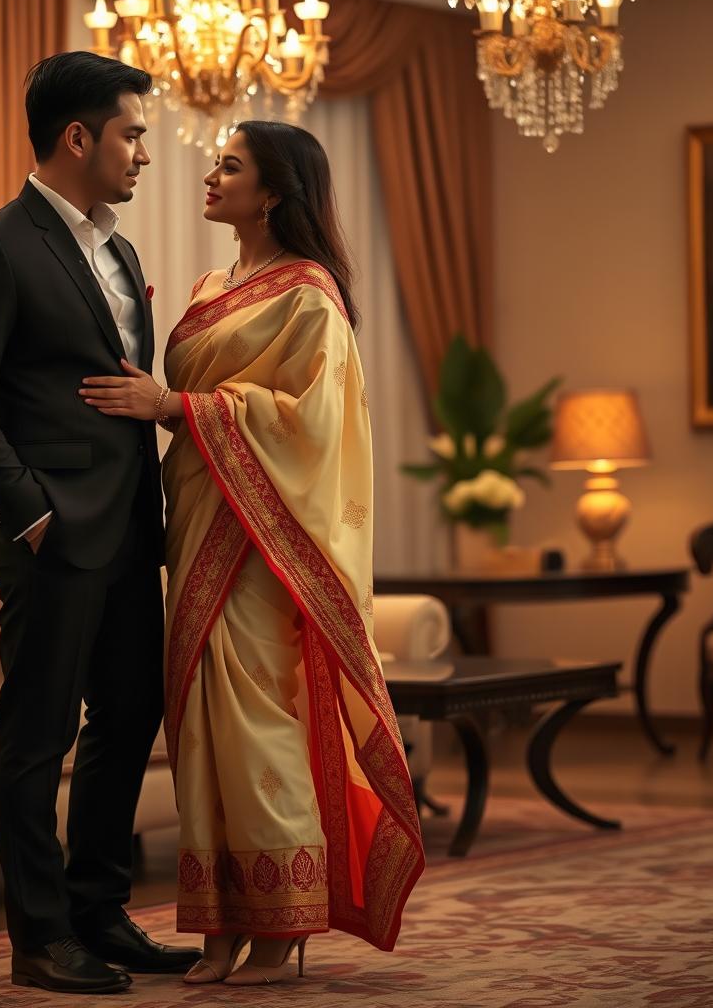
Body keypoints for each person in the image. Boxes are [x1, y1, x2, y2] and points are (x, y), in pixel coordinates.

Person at [80, 120, 425, 987]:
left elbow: (314, 423)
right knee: (200, 729)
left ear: (272, 193)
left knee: (254, 727)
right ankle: (221, 927)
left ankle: (281, 925)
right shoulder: (211, 284)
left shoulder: (309, 295)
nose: (210, 173)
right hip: (198, 519)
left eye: (229, 165)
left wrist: (177, 409)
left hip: (264, 539)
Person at [0, 51, 200, 996]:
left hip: (131, 524)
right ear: (78, 137)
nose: (144, 154)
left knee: (132, 714)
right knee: (37, 733)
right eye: (132, 133)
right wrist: (32, 515)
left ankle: (99, 911)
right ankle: (39, 938)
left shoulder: (118, 248)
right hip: (50, 532)